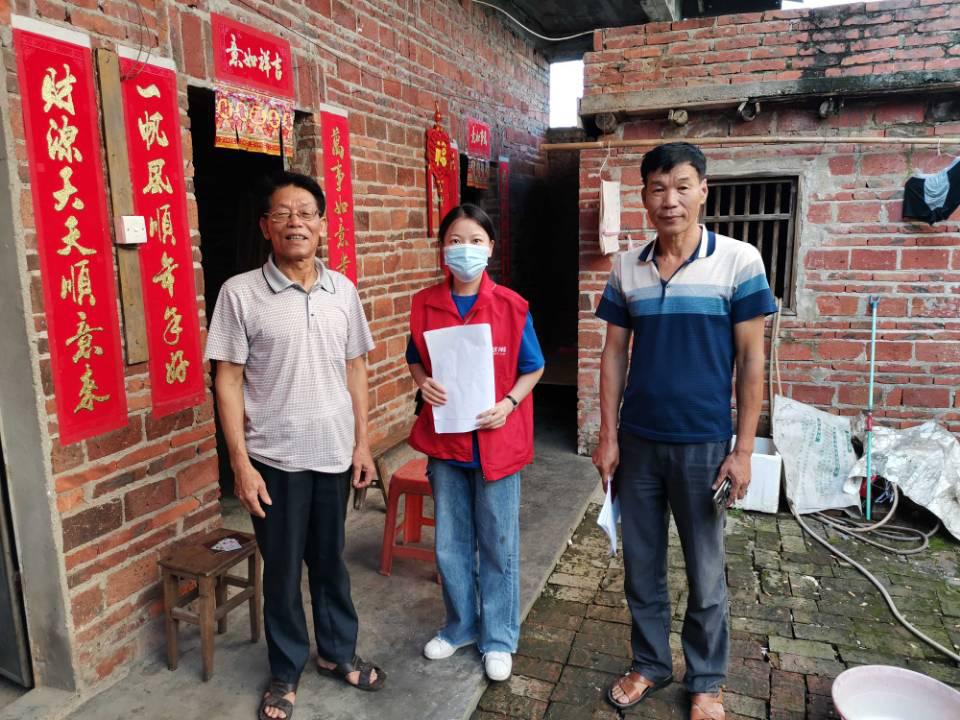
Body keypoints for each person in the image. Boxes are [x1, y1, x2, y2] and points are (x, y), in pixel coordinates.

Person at [592, 143, 777, 720]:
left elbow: (752, 361)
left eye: (681, 186)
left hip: (704, 445)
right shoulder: (628, 267)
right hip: (639, 443)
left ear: (703, 191)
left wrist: (743, 451)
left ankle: (706, 681)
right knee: (641, 564)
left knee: (706, 571)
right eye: (657, 188)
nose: (668, 199)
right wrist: (608, 435)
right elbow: (613, 355)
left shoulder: (740, 260)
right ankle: (650, 663)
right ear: (644, 197)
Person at [205, 171, 385, 720]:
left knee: (330, 563)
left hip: (333, 454)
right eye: (282, 214)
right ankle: (285, 671)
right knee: (282, 572)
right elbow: (227, 379)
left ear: (322, 224)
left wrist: (362, 444)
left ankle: (336, 653)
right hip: (274, 460)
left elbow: (356, 368)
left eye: (305, 213)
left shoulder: (342, 291)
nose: (295, 223)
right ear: (266, 226)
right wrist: (240, 463)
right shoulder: (240, 293)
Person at [406, 204, 544, 682]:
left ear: (490, 248)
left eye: (475, 241)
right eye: (455, 240)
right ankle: (460, 626)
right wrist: (422, 382)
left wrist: (508, 403)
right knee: (450, 545)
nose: (465, 249)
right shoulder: (425, 303)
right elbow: (414, 357)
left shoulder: (511, 305)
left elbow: (533, 367)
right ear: (442, 248)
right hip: (447, 444)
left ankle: (499, 637)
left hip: (496, 443)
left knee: (499, 544)